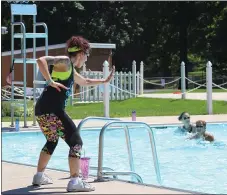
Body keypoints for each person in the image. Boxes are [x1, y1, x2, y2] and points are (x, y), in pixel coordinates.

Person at [32, 36, 115, 192]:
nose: (87, 58)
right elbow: (41, 60)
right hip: (53, 110)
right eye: (87, 55)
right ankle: (75, 181)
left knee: (52, 141)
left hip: (42, 110)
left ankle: (39, 176)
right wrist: (50, 81)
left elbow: (85, 81)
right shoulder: (65, 61)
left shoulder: (69, 69)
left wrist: (104, 81)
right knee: (76, 143)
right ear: (81, 53)